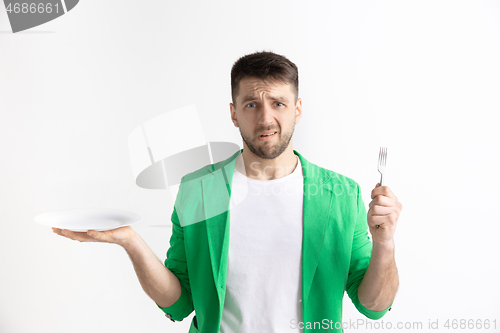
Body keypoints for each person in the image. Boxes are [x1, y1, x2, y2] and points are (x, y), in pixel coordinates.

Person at [53, 51, 403, 332]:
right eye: (252, 104)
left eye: (279, 103)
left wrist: (385, 242)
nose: (266, 118)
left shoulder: (340, 195)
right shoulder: (198, 189)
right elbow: (180, 301)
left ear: (297, 109)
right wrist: (130, 241)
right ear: (234, 114)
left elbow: (373, 305)